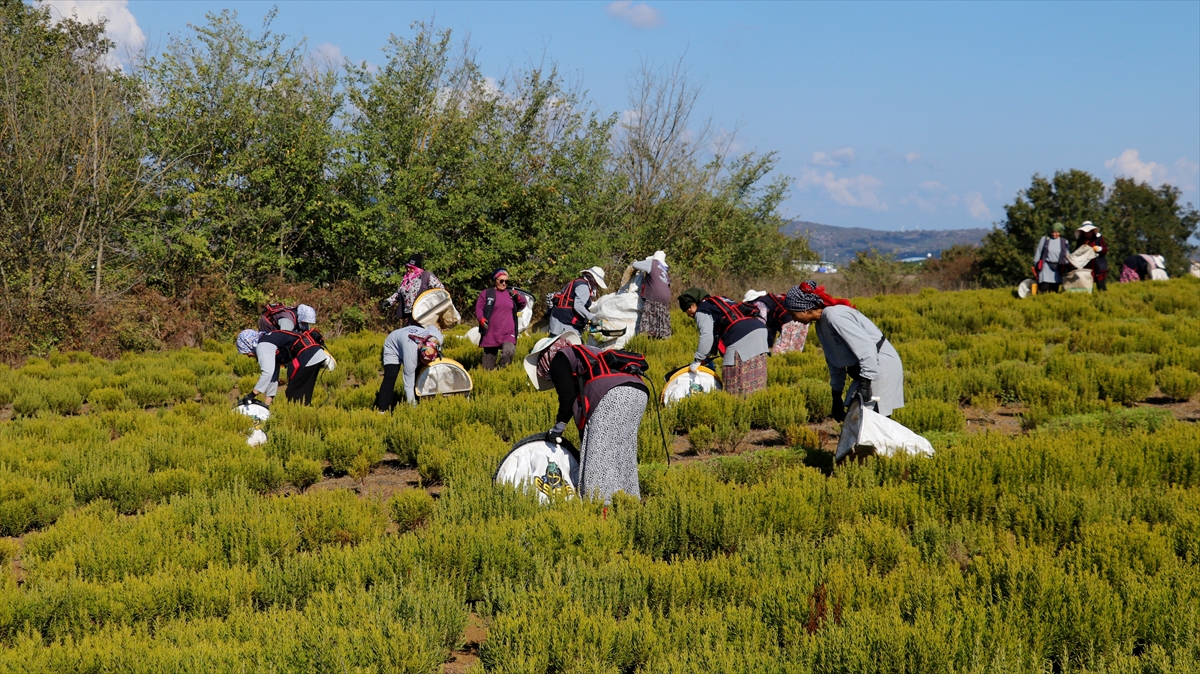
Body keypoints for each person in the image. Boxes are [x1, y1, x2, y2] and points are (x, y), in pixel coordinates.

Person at [525, 331, 648, 504]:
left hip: (612, 394)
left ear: (543, 360)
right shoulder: (585, 352)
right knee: (623, 450)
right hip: (638, 390)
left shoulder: (558, 358)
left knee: (597, 456)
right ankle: (629, 501)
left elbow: (567, 397)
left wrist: (558, 428)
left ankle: (600, 505)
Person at [784, 281, 904, 421]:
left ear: (804, 309)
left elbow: (867, 349)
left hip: (879, 364)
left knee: (874, 419)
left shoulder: (835, 316)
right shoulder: (821, 324)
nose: (794, 319)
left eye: (793, 314)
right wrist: (836, 394)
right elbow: (834, 360)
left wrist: (865, 385)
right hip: (867, 369)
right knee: (858, 418)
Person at [678, 287, 769, 396]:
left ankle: (738, 403)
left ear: (692, 305)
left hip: (740, 335)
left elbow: (707, 336)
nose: (689, 316)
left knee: (733, 382)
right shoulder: (719, 301)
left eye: (687, 311)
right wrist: (706, 356)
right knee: (755, 377)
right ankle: (754, 402)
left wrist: (697, 360)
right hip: (759, 330)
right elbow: (716, 334)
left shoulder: (702, 310)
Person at [235, 327, 327, 406]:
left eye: (246, 352)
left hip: (308, 356)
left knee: (295, 396)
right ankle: (304, 414)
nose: (248, 356)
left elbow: (267, 373)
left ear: (249, 345)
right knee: (299, 394)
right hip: (314, 354)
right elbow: (272, 377)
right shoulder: (267, 339)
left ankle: (302, 417)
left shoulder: (262, 345)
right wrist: (266, 405)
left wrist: (252, 395)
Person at [375, 325, 443, 410]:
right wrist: (412, 410)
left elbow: (432, 326)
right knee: (390, 377)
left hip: (409, 337)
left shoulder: (437, 338)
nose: (428, 363)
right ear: (420, 355)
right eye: (426, 360)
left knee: (420, 373)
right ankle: (383, 410)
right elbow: (408, 386)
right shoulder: (411, 355)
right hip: (393, 345)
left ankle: (419, 399)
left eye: (431, 360)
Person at [474, 269, 527, 370]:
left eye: (506, 281)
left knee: (509, 352)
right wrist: (481, 319)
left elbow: (523, 304)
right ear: (495, 280)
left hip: (508, 332)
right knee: (487, 366)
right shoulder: (487, 293)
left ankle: (501, 372)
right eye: (501, 281)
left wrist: (518, 297)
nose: (504, 283)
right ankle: (490, 376)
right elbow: (479, 308)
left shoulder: (510, 294)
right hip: (491, 331)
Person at [384, 253, 445, 326]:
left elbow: (441, 290)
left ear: (417, 267)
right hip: (409, 316)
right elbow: (399, 293)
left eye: (411, 267)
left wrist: (433, 304)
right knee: (410, 332)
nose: (408, 269)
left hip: (423, 315)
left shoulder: (426, 276)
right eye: (407, 267)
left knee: (423, 333)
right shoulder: (406, 279)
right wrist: (388, 301)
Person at [548, 266, 607, 336]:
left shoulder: (576, 282)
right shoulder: (584, 287)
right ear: (594, 280)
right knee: (570, 343)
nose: (597, 285)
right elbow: (578, 305)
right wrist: (592, 318)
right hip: (566, 323)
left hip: (556, 319)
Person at [631, 251, 672, 339]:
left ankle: (647, 340)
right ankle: (661, 339)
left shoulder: (652, 263)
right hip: (665, 298)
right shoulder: (664, 269)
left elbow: (635, 265)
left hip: (654, 295)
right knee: (661, 325)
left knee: (648, 327)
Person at [1032, 222, 1070, 293]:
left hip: (1058, 269)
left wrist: (1069, 265)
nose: (1054, 234)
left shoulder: (1064, 242)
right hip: (1046, 267)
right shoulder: (1045, 239)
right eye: (1053, 232)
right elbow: (1038, 252)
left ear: (1060, 232)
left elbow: (1067, 255)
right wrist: (1035, 264)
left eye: (1056, 232)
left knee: (1054, 290)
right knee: (1044, 288)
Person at [1075, 222, 1108, 291]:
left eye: (1089, 232)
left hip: (1098, 266)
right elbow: (1076, 252)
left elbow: (1105, 250)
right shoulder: (1081, 240)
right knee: (1087, 286)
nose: (1087, 234)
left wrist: (1100, 249)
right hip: (1086, 266)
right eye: (1085, 232)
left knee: (1101, 285)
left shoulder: (1099, 238)